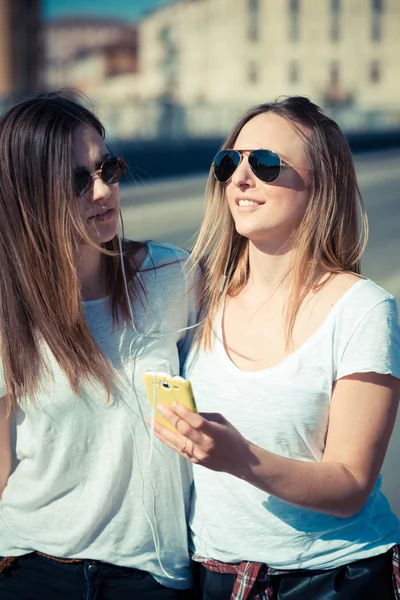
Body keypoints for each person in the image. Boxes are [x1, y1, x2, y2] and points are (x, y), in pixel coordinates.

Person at [150, 96, 400, 599]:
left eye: (264, 164)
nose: (241, 179)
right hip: (213, 578)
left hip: (331, 579)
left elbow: (351, 485)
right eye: (229, 162)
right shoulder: (196, 295)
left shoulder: (363, 309)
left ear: (320, 184)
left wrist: (241, 457)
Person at [0, 92, 198, 599]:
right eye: (77, 181)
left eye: (108, 168)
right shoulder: (8, 309)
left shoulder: (172, 276)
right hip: (30, 566)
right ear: (27, 194)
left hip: (149, 576)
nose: (104, 190)